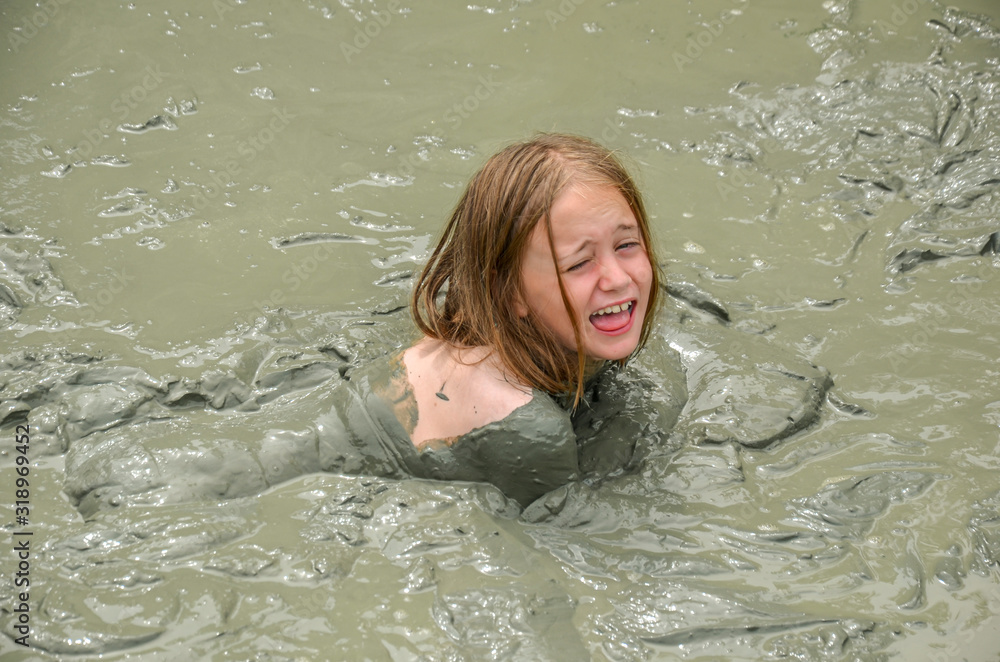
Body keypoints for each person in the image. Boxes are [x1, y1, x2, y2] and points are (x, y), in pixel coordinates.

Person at [327, 133, 673, 507]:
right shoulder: (526, 428)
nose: (618, 279)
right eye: (578, 264)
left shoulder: (472, 329)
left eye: (626, 245)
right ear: (509, 293)